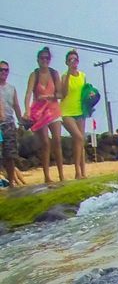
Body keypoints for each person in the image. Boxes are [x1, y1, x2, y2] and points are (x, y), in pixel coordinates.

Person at [24, 46, 64, 184]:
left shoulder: (54, 73)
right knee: (45, 143)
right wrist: (27, 110)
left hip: (53, 109)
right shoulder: (34, 75)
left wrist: (49, 96)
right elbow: (28, 93)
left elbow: (60, 94)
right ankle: (47, 176)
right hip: (40, 111)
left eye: (47, 58)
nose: (45, 60)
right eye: (42, 58)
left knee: (57, 140)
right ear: (38, 60)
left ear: (50, 60)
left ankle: (61, 175)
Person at [58, 49, 88, 179]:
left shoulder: (83, 75)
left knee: (80, 142)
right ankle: (77, 171)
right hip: (66, 112)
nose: (73, 62)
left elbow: (85, 92)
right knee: (79, 137)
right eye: (70, 60)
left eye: (75, 59)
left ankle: (83, 172)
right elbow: (63, 94)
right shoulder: (64, 76)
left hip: (80, 111)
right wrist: (69, 74)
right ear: (66, 62)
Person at [0, 60, 26, 188]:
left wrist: (20, 121)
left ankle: (11, 183)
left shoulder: (11, 88)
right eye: (1, 70)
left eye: (6, 70)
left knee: (9, 155)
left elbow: (16, 105)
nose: (4, 72)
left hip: (9, 124)